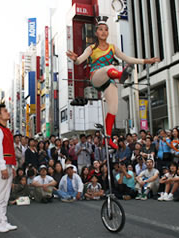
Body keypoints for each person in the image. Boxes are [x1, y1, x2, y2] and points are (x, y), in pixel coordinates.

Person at [66, 16, 159, 149]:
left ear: (108, 32)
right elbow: (80, 61)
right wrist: (75, 59)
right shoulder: (91, 48)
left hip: (109, 80)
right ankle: (122, 75)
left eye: (106, 30)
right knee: (110, 68)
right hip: (96, 76)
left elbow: (128, 58)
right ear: (96, 32)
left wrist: (147, 61)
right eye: (101, 29)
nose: (103, 32)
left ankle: (108, 139)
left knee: (113, 108)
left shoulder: (113, 47)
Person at [0, 104, 17, 233]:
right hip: (2, 166)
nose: (8, 112)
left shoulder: (6, 131)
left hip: (7, 165)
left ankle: (2, 221)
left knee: (5, 196)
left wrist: (12, 166)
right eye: (5, 111)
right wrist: (2, 167)